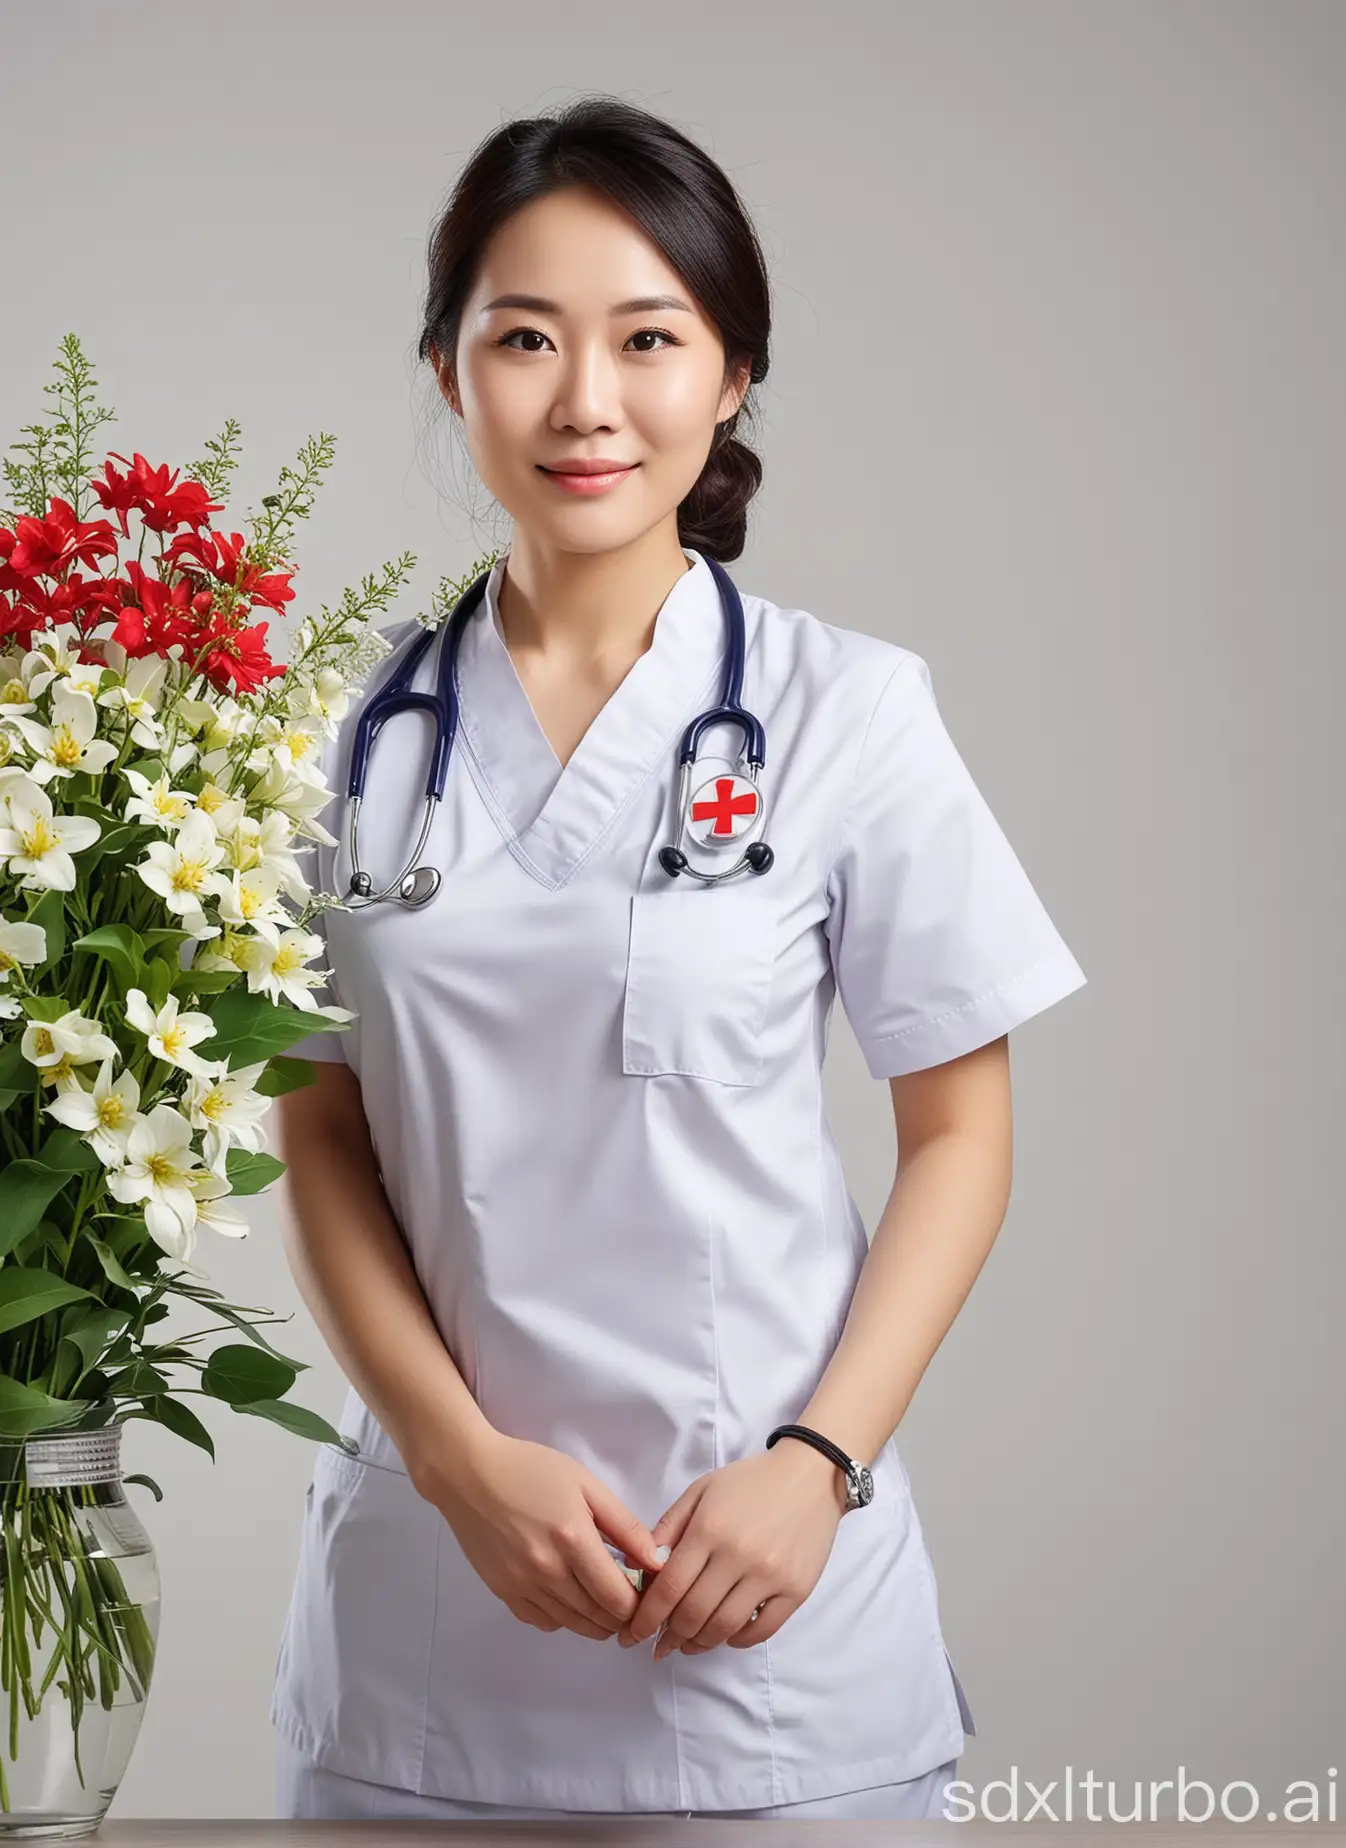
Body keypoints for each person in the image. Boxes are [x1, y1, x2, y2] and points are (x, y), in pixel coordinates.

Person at [268, 94, 1086, 1823]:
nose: (585, 400)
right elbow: (319, 1132)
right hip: (430, 1636)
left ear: (727, 378)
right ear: (447, 372)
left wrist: (817, 1464)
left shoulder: (845, 712)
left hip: (774, 1634)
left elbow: (962, 1136)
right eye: (524, 339)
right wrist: (455, 1459)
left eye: (648, 338)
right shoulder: (345, 735)